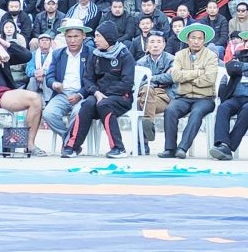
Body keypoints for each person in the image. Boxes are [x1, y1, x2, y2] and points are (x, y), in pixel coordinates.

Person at [61, 21, 135, 158]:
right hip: (98, 94)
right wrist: (96, 92)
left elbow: (127, 83)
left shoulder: (125, 55)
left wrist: (103, 94)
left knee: (104, 105)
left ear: (109, 37)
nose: (95, 40)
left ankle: (118, 148)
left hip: (120, 96)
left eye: (98, 36)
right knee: (87, 104)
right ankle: (72, 146)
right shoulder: (95, 55)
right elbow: (88, 78)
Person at [0, 23, 45, 155]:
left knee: (35, 99)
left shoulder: (1, 51)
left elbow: (27, 56)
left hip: (4, 93)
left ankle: (29, 144)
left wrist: (4, 43)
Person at [209, 26, 248, 161]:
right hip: (235, 96)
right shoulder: (240, 54)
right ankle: (221, 143)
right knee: (223, 107)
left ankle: (228, 147)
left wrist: (243, 69)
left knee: (247, 110)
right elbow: (230, 68)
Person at [159, 23, 218, 159]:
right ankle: (169, 148)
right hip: (183, 96)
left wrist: (187, 77)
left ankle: (182, 148)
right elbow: (175, 76)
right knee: (170, 110)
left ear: (204, 40)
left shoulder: (211, 56)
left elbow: (209, 79)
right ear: (187, 39)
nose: (196, 41)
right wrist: (198, 73)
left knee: (196, 113)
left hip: (204, 98)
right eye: (193, 38)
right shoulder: (179, 55)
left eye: (200, 38)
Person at [41, 21, 91, 145]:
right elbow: (50, 76)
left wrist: (80, 95)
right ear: (65, 37)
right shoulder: (58, 54)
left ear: (83, 36)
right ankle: (68, 139)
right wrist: (54, 84)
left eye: (76, 36)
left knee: (78, 113)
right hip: (62, 94)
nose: (72, 40)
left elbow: (93, 80)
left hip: (82, 95)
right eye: (69, 37)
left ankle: (70, 143)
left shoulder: (90, 53)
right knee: (48, 114)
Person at [135, 31, 174, 153]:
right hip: (146, 94)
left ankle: (142, 145)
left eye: (158, 42)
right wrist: (159, 79)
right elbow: (138, 82)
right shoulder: (141, 62)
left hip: (164, 96)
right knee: (146, 91)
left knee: (141, 103)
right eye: (152, 42)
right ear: (147, 45)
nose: (155, 45)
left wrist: (151, 78)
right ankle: (148, 125)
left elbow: (172, 78)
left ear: (164, 44)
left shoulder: (172, 59)